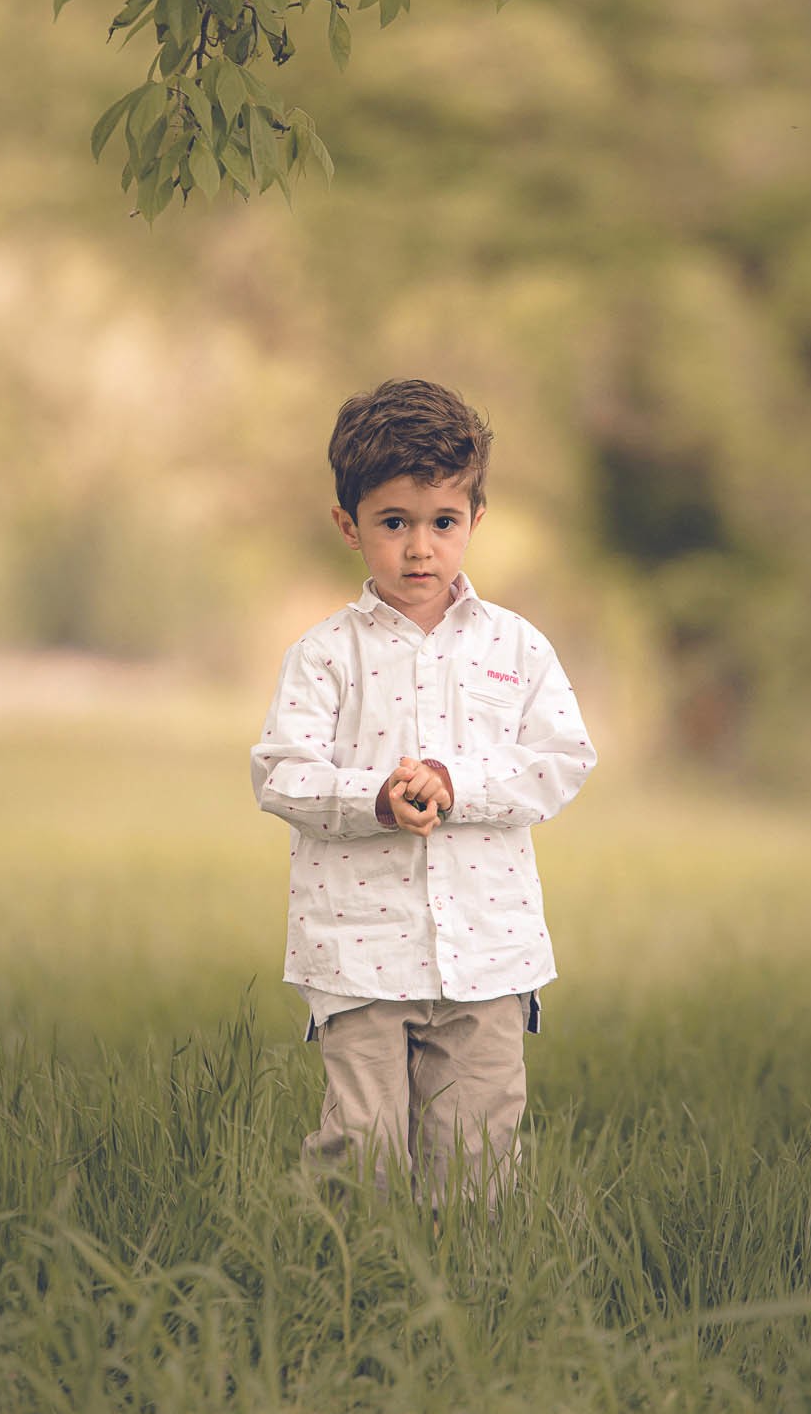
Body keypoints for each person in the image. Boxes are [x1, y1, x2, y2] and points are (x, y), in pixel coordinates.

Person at [251, 378, 596, 1207]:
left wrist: (455, 783)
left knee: (477, 1160)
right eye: (393, 523)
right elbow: (282, 773)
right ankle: (349, 1276)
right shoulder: (324, 656)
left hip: (489, 950)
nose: (419, 549)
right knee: (362, 1153)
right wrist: (375, 797)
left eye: (442, 522)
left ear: (475, 518)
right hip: (358, 950)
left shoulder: (516, 648)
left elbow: (560, 759)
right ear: (349, 525)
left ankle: (468, 1282)